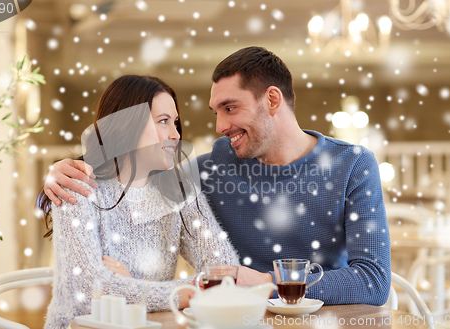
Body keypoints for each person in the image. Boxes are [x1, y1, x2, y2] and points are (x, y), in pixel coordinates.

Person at [43, 47, 391, 306]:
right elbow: (129, 178)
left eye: (230, 108)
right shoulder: (203, 172)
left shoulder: (353, 165)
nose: (219, 127)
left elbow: (373, 282)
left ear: (272, 100)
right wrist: (56, 174)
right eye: (216, 112)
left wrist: (267, 283)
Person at [38, 75, 239, 328]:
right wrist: (185, 291)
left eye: (175, 123)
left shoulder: (181, 191)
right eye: (163, 122)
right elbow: (87, 293)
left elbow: (226, 273)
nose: (176, 135)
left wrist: (131, 285)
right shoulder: (77, 187)